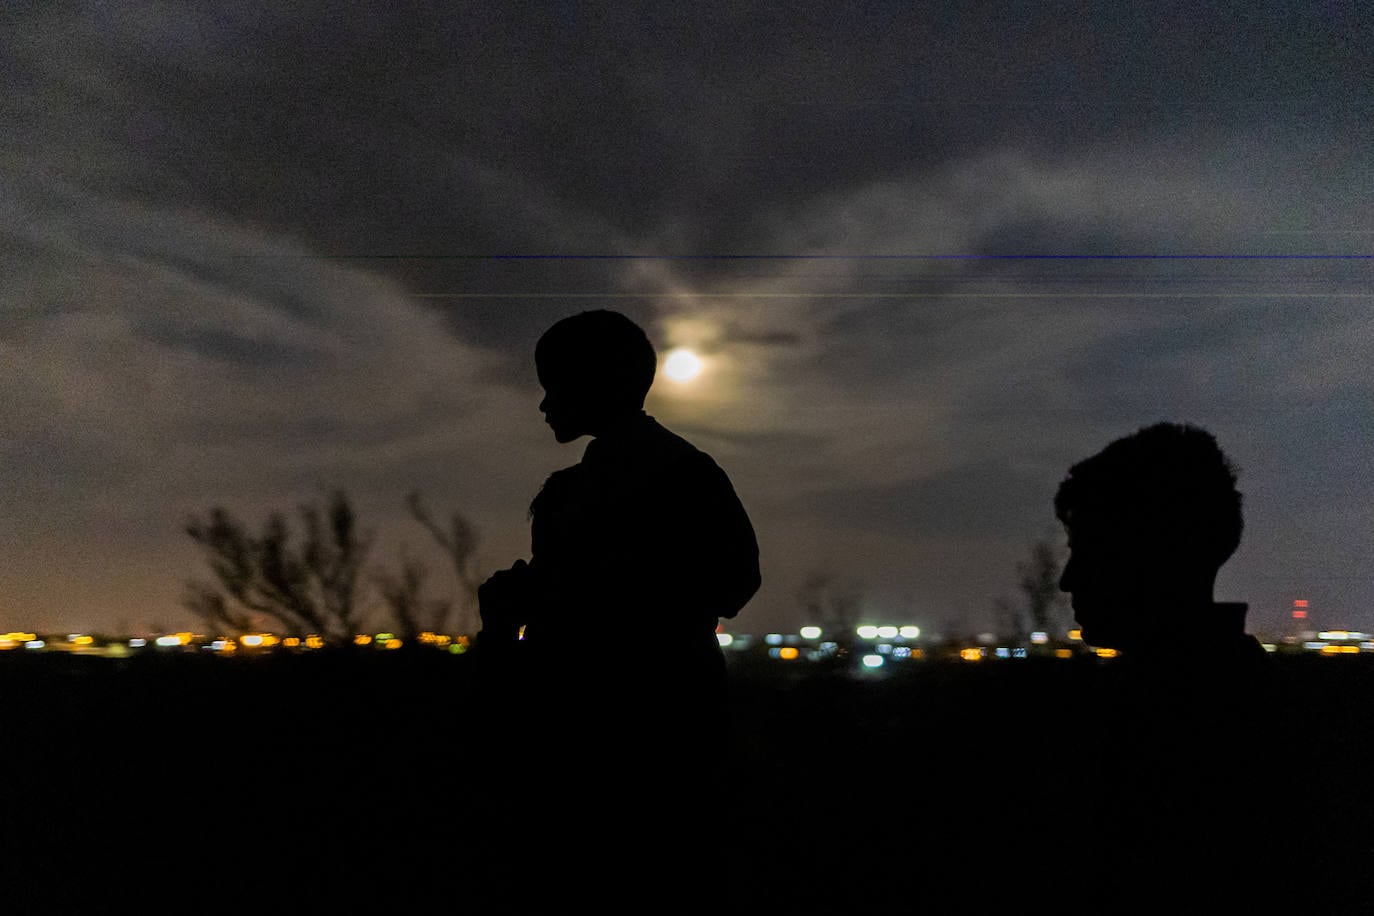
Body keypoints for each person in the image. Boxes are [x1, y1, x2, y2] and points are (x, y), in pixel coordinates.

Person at [469, 309, 761, 900]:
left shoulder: (666, 477)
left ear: (597, 383)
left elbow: (729, 581)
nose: (545, 405)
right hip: (621, 746)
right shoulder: (598, 486)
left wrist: (560, 598)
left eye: (556, 386)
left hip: (637, 754)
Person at [1052, 422, 1297, 907]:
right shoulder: (1266, 704)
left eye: (1089, 552)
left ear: (1150, 553)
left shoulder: (1141, 721)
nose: (1067, 580)